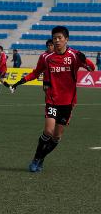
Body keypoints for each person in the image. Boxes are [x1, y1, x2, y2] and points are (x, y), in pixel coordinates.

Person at [11, 26, 95, 172]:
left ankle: (41, 158)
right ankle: (36, 159)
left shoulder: (74, 56)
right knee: (48, 131)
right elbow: (36, 73)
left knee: (56, 137)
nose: (57, 41)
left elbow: (91, 68)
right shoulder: (46, 58)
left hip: (68, 102)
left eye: (59, 38)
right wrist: (19, 82)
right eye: (54, 38)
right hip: (52, 100)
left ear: (66, 39)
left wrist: (84, 59)